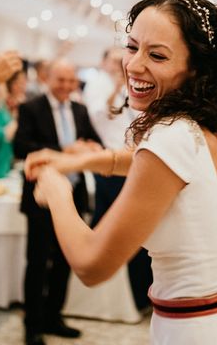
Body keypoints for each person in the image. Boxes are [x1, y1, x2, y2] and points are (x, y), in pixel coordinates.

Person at [26, 0, 217, 344]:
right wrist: (81, 159)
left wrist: (58, 192)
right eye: (132, 46)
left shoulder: (171, 137)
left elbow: (92, 265)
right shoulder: (191, 126)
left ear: (196, 69)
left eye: (156, 55)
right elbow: (147, 165)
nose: (135, 65)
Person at [13, 58, 102, 345]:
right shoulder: (31, 108)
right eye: (60, 80)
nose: (66, 86)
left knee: (66, 261)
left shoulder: (80, 109)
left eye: (71, 80)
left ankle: (54, 317)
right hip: (41, 196)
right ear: (47, 78)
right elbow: (21, 147)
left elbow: (94, 141)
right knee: (38, 262)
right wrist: (64, 150)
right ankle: (32, 324)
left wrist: (89, 148)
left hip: (74, 195)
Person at [82, 46, 152, 310]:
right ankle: (114, 296)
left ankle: (136, 295)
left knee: (135, 231)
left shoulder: (131, 85)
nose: (122, 63)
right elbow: (101, 115)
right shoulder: (98, 85)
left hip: (133, 161)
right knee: (115, 229)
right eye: (114, 59)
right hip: (112, 164)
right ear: (104, 62)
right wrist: (119, 84)